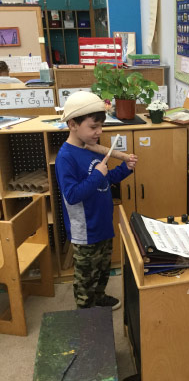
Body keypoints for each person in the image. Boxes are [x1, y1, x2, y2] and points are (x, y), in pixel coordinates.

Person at [55, 91, 137, 310]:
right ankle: (85, 314)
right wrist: (97, 175)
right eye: (93, 127)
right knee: (85, 278)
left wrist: (125, 169)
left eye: (101, 126)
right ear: (73, 124)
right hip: (85, 231)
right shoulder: (66, 157)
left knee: (102, 269)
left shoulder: (91, 149)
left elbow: (104, 180)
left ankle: (99, 297)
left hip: (103, 223)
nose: (99, 132)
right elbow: (72, 196)